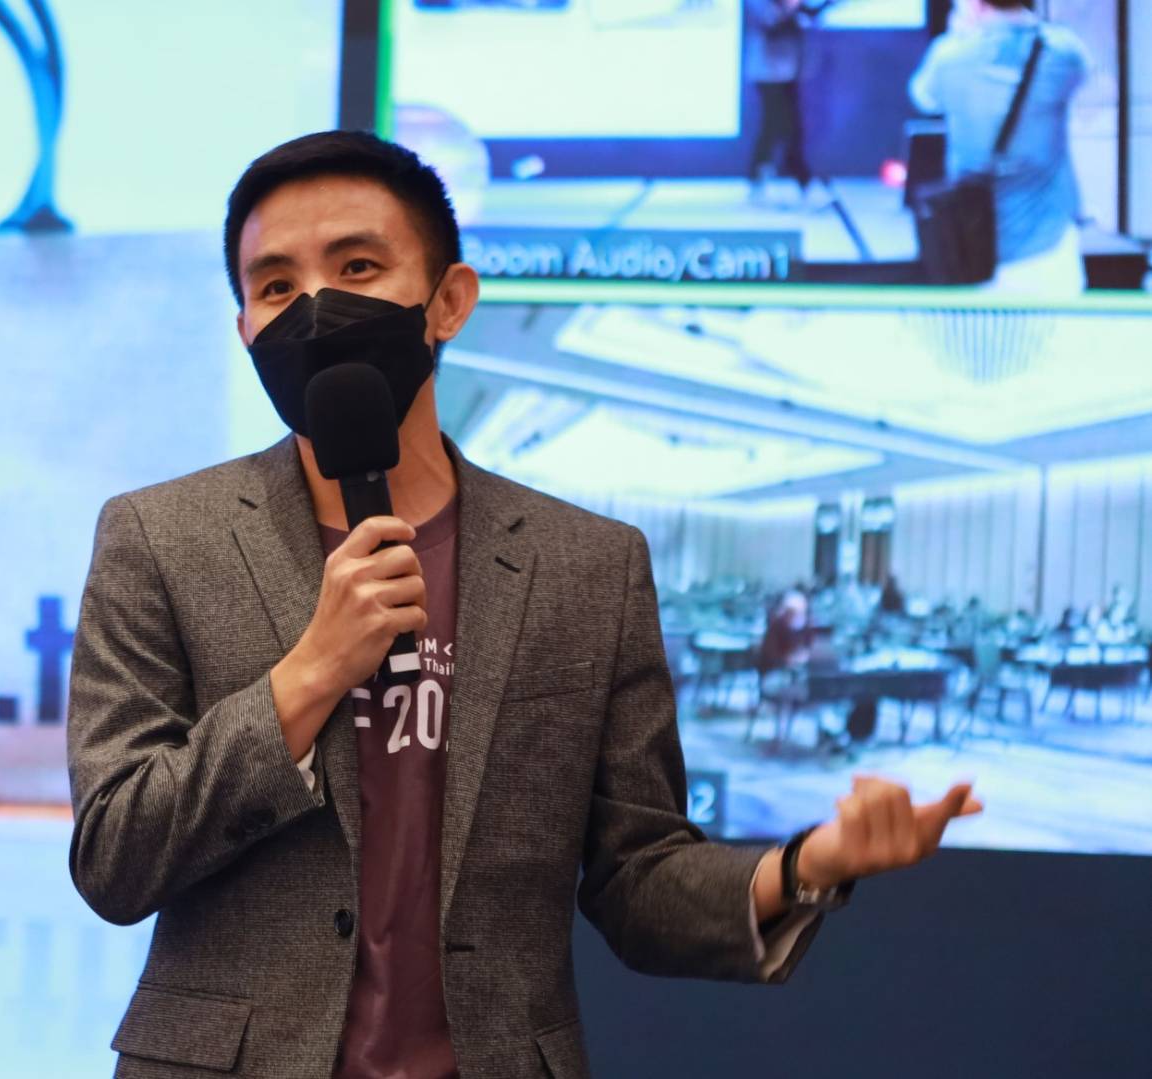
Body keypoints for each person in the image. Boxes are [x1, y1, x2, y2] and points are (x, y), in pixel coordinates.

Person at [65, 131, 981, 1078]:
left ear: (449, 301)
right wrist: (307, 676)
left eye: (358, 267)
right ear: (246, 329)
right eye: (275, 286)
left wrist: (802, 867)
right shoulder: (161, 538)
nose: (315, 308)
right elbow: (114, 858)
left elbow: (638, 873)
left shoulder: (587, 565)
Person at [909, 0, 1093, 296]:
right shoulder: (1062, 52)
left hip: (969, 249)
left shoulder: (949, 56)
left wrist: (961, 35)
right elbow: (1085, 75)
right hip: (1049, 251)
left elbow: (924, 98)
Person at [744, 0, 830, 203]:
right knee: (774, 125)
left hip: (789, 70)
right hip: (768, 70)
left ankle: (797, 179)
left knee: (791, 127)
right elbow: (768, 21)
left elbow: (808, 15)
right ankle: (764, 178)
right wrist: (790, 7)